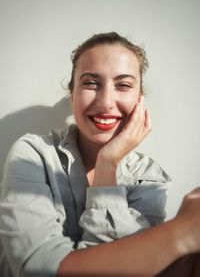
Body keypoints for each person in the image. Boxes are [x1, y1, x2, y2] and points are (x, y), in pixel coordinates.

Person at [0, 32, 199, 277]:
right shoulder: (32, 154)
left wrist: (108, 164)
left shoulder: (148, 177)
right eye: (91, 83)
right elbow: (36, 268)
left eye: (123, 85)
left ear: (139, 99)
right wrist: (179, 234)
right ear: (72, 94)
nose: (106, 102)